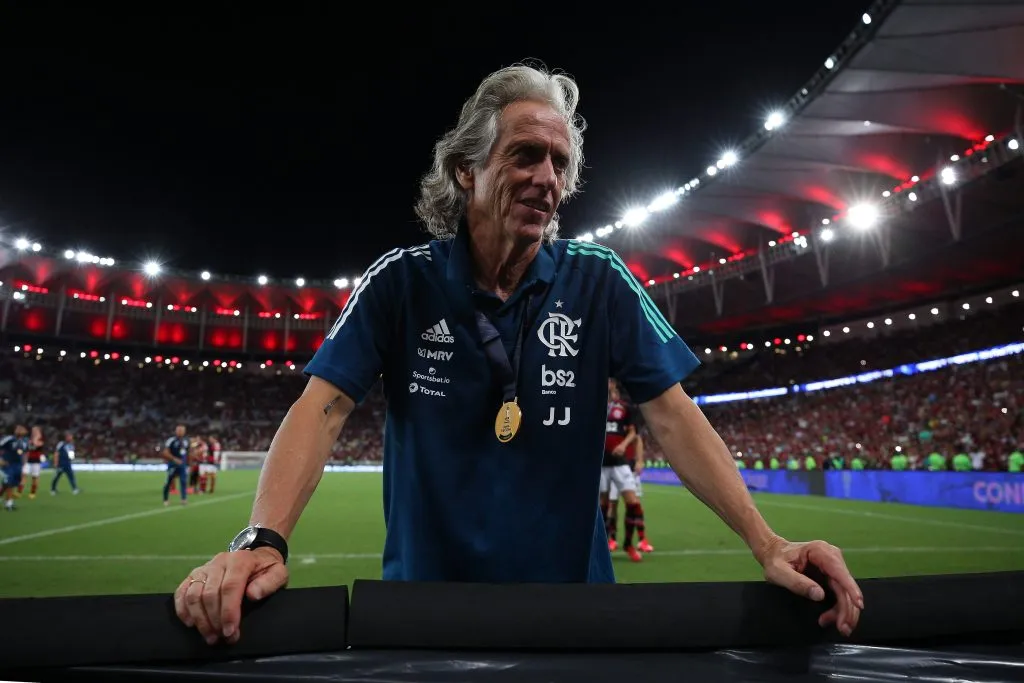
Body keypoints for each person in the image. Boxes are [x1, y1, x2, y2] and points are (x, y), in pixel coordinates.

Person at [174, 63, 863, 646]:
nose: (547, 177)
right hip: (425, 620)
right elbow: (321, 406)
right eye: (525, 155)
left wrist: (767, 541)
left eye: (560, 163)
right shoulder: (400, 281)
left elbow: (674, 416)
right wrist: (263, 538)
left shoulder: (601, 280)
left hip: (578, 618)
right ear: (466, 171)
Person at [600, 378, 645, 562]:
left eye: (610, 380)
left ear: (615, 384)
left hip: (620, 462)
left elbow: (633, 432)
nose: (608, 382)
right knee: (603, 507)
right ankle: (602, 545)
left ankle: (629, 544)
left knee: (633, 503)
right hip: (601, 463)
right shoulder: (593, 405)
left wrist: (624, 445)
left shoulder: (624, 407)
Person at [1, 425, 29, 511]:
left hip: (18, 465)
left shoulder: (25, 441)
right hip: (8, 464)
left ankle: (8, 501)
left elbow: (24, 453)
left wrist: (24, 463)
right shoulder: (9, 439)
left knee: (11, 484)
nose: (20, 430)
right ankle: (9, 503)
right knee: (9, 482)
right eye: (18, 429)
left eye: (22, 429)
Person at [162, 424, 190, 506]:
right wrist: (174, 459)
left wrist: (189, 462)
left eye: (182, 430)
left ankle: (183, 499)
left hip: (183, 465)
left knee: (183, 481)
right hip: (173, 464)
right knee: (168, 482)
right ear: (176, 431)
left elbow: (187, 452)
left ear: (184, 431)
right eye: (179, 430)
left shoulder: (187, 441)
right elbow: (165, 452)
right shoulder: (171, 440)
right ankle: (165, 499)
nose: (180, 432)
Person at [18, 425, 45, 499]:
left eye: (35, 431)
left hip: (36, 462)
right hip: (28, 461)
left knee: (34, 478)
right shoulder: (29, 440)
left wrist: (36, 438)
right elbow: (27, 450)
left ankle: (32, 493)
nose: (33, 432)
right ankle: (19, 492)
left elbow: (36, 446)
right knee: (23, 476)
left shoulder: (40, 440)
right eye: (33, 431)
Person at [50, 431, 80, 495]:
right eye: (70, 436)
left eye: (71, 436)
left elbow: (71, 455)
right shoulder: (61, 444)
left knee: (71, 476)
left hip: (68, 464)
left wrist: (71, 458)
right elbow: (56, 453)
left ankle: (74, 489)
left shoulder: (71, 445)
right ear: (66, 437)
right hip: (61, 464)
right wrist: (56, 462)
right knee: (57, 477)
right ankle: (53, 489)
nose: (71, 438)